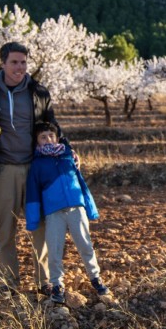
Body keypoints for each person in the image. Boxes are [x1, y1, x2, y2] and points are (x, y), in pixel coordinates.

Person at [0, 41, 61, 298]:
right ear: (3, 63)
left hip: (34, 168)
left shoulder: (38, 92)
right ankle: (7, 283)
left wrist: (68, 151)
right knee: (5, 229)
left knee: (39, 226)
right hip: (3, 168)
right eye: (14, 62)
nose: (19, 67)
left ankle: (45, 280)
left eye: (23, 62)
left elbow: (51, 125)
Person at [25, 123, 108, 304]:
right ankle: (56, 285)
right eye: (43, 137)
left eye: (51, 135)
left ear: (57, 137)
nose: (48, 139)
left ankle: (95, 277)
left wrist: (89, 207)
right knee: (54, 250)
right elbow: (32, 193)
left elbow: (81, 183)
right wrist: (32, 220)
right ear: (37, 141)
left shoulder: (68, 156)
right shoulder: (37, 164)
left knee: (85, 244)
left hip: (75, 208)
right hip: (53, 213)